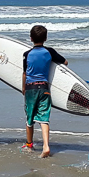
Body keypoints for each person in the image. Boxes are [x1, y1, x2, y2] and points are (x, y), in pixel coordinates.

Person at [23, 24, 67, 158]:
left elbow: (25, 73)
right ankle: (46, 146)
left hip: (30, 88)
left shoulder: (27, 54)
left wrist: (23, 88)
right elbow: (64, 63)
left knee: (30, 118)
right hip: (44, 88)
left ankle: (29, 145)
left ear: (30, 38)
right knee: (44, 118)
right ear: (46, 38)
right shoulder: (50, 52)